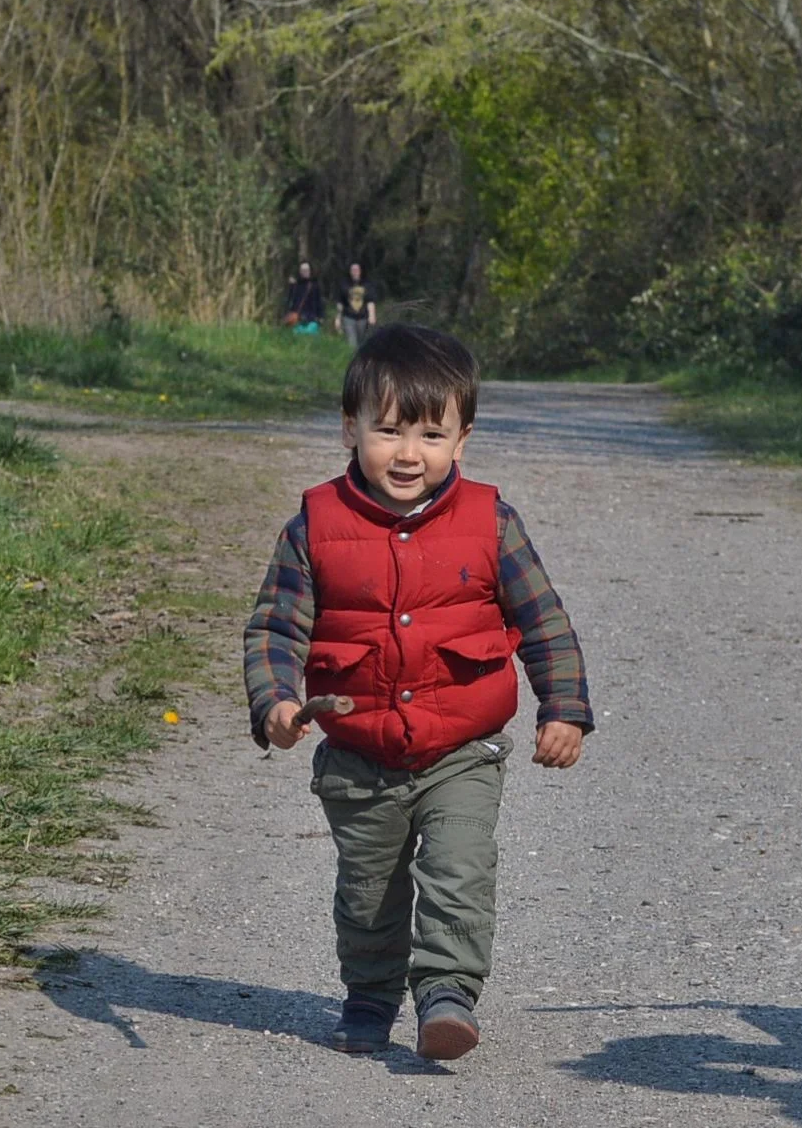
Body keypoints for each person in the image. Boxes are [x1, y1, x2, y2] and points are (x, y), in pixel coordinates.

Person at [243, 324, 592, 1061]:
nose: (408, 453)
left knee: (458, 867)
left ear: (462, 439)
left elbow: (544, 622)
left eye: (432, 434)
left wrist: (564, 709)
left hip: (461, 747)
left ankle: (446, 994)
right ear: (350, 427)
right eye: (389, 430)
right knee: (368, 892)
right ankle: (369, 998)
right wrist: (274, 699)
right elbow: (276, 628)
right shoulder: (315, 526)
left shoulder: (490, 524)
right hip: (360, 751)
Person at [335, 261, 376, 348]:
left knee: (363, 343)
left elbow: (370, 301)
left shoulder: (367, 284)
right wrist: (338, 318)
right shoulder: (344, 284)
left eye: (357, 270)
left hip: (363, 317)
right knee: (351, 344)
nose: (355, 272)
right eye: (353, 270)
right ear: (350, 271)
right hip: (348, 317)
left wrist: (372, 316)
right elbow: (340, 303)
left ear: (361, 271)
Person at [284, 262, 323, 332]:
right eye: (303, 270)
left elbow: (318, 302)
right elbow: (290, 301)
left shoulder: (315, 286)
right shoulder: (295, 286)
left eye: (307, 270)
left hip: (311, 320)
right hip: (297, 320)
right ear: (300, 272)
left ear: (310, 271)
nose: (305, 272)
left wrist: (321, 316)